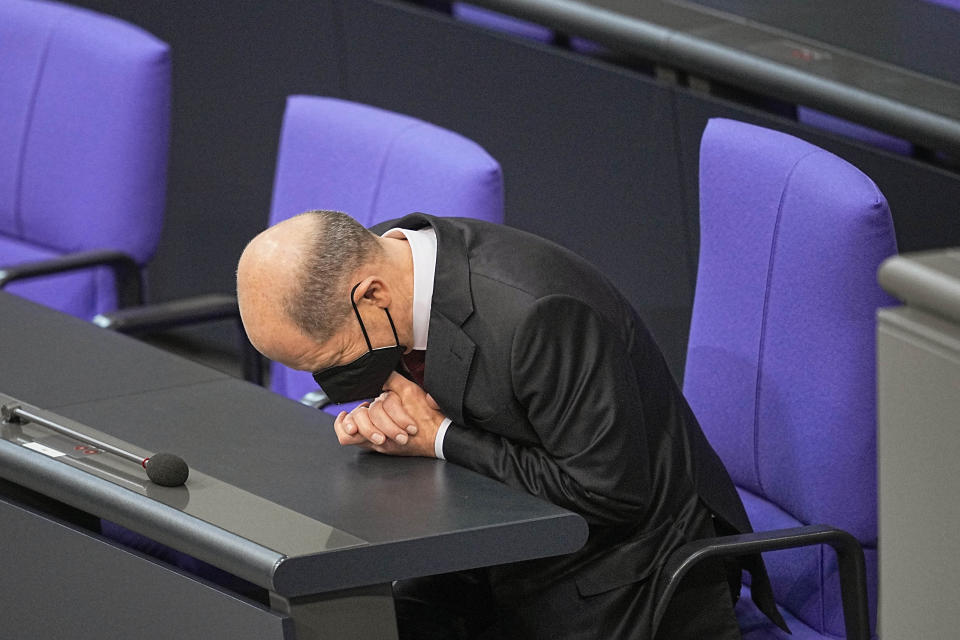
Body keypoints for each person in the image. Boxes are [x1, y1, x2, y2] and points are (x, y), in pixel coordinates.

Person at [236, 210, 785, 640]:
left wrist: (439, 437)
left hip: (627, 567)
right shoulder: (385, 262)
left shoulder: (540, 314)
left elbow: (610, 493)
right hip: (497, 539)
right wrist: (388, 409)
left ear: (371, 294)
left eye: (334, 362)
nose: (336, 381)